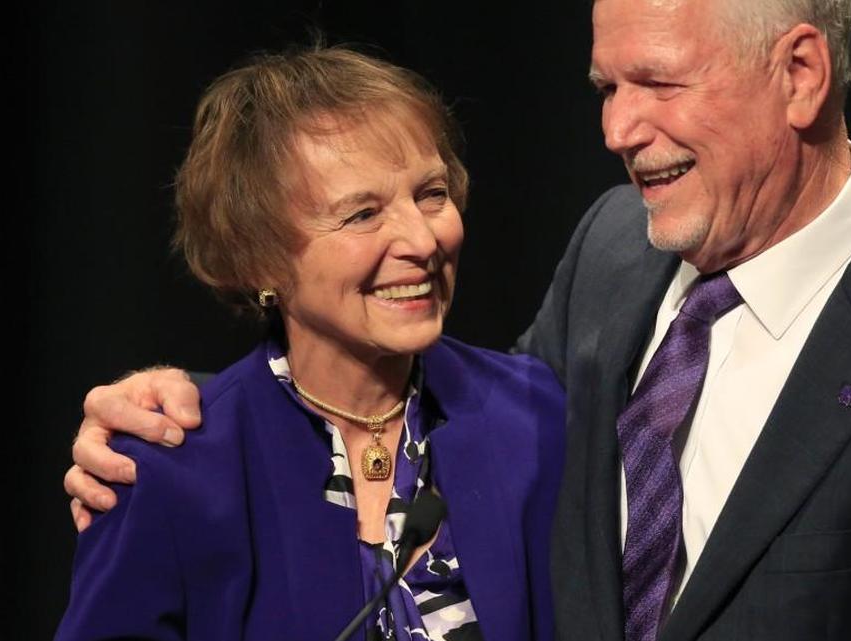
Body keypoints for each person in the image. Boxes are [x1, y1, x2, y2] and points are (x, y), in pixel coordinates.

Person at [68, 1, 851, 639]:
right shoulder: (616, 250)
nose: (615, 129)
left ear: (799, 74)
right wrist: (162, 408)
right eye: (607, 86)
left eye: (655, 82)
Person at [56, 46, 564, 641]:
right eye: (362, 214)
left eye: (431, 193)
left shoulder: (538, 417)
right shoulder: (169, 468)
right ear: (258, 257)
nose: (422, 241)